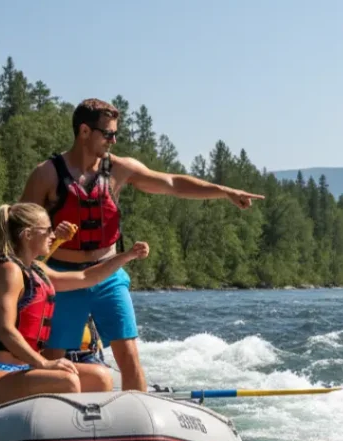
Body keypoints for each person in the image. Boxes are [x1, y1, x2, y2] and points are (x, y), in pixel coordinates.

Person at [20, 98, 264, 392]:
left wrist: (224, 192)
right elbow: (21, 229)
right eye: (108, 134)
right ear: (84, 132)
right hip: (63, 277)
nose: (114, 140)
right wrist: (49, 241)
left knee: (130, 356)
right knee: (53, 357)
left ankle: (136, 419)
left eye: (115, 133)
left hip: (108, 275)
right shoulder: (46, 174)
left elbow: (172, 183)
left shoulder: (120, 170)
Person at [0, 202, 150, 410]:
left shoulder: (36, 269)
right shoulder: (8, 270)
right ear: (28, 235)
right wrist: (44, 363)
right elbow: (5, 331)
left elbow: (87, 277)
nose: (53, 235)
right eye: (47, 230)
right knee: (66, 382)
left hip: (23, 370)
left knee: (101, 377)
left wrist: (127, 256)